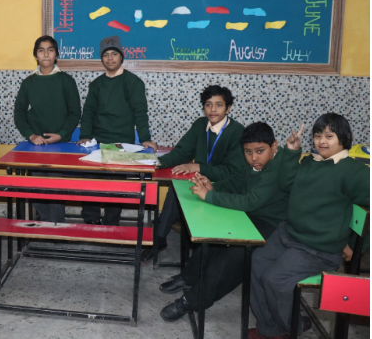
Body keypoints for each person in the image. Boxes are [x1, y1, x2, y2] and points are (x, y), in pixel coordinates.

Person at [249, 114, 370, 339]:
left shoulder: (354, 172)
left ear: (343, 138)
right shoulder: (309, 162)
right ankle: (269, 327)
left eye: (329, 136)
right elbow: (285, 183)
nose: (321, 141)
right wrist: (292, 151)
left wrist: (357, 247)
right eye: (317, 136)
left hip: (317, 249)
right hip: (290, 234)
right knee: (257, 262)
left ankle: (290, 326)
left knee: (274, 280)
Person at [158, 122, 288, 322]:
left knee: (234, 257)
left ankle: (191, 301)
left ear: (275, 147)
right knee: (215, 241)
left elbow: (250, 201)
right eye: (248, 152)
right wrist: (213, 188)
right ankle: (188, 277)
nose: (254, 158)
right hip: (251, 217)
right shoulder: (253, 165)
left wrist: (209, 197)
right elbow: (237, 181)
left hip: (272, 227)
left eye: (260, 151)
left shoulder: (278, 168)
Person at [140, 85, 246, 263]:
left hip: (223, 186)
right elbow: (182, 151)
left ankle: (198, 246)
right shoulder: (200, 125)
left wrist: (199, 168)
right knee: (176, 188)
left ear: (228, 108)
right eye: (208, 104)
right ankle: (159, 239)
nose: (213, 109)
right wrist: (158, 162)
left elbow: (233, 172)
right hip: (199, 179)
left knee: (188, 193)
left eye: (219, 105)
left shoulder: (237, 132)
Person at [78, 35, 156, 226]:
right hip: (96, 144)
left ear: (121, 56)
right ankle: (90, 221)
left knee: (115, 186)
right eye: (106, 55)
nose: (110, 58)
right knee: (90, 183)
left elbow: (140, 112)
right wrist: (85, 136)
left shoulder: (133, 82)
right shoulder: (96, 85)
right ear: (101, 58)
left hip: (122, 144)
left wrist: (145, 138)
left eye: (114, 54)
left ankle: (111, 223)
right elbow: (88, 113)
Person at [14, 35, 81, 223]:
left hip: (61, 145)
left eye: (50, 50)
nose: (46, 54)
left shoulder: (66, 81)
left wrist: (60, 135)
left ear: (56, 54)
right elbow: (19, 113)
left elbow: (75, 113)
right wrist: (31, 135)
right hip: (36, 146)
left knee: (54, 185)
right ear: (36, 55)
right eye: (41, 50)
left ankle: (57, 227)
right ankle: (46, 223)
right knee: (35, 186)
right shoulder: (28, 82)